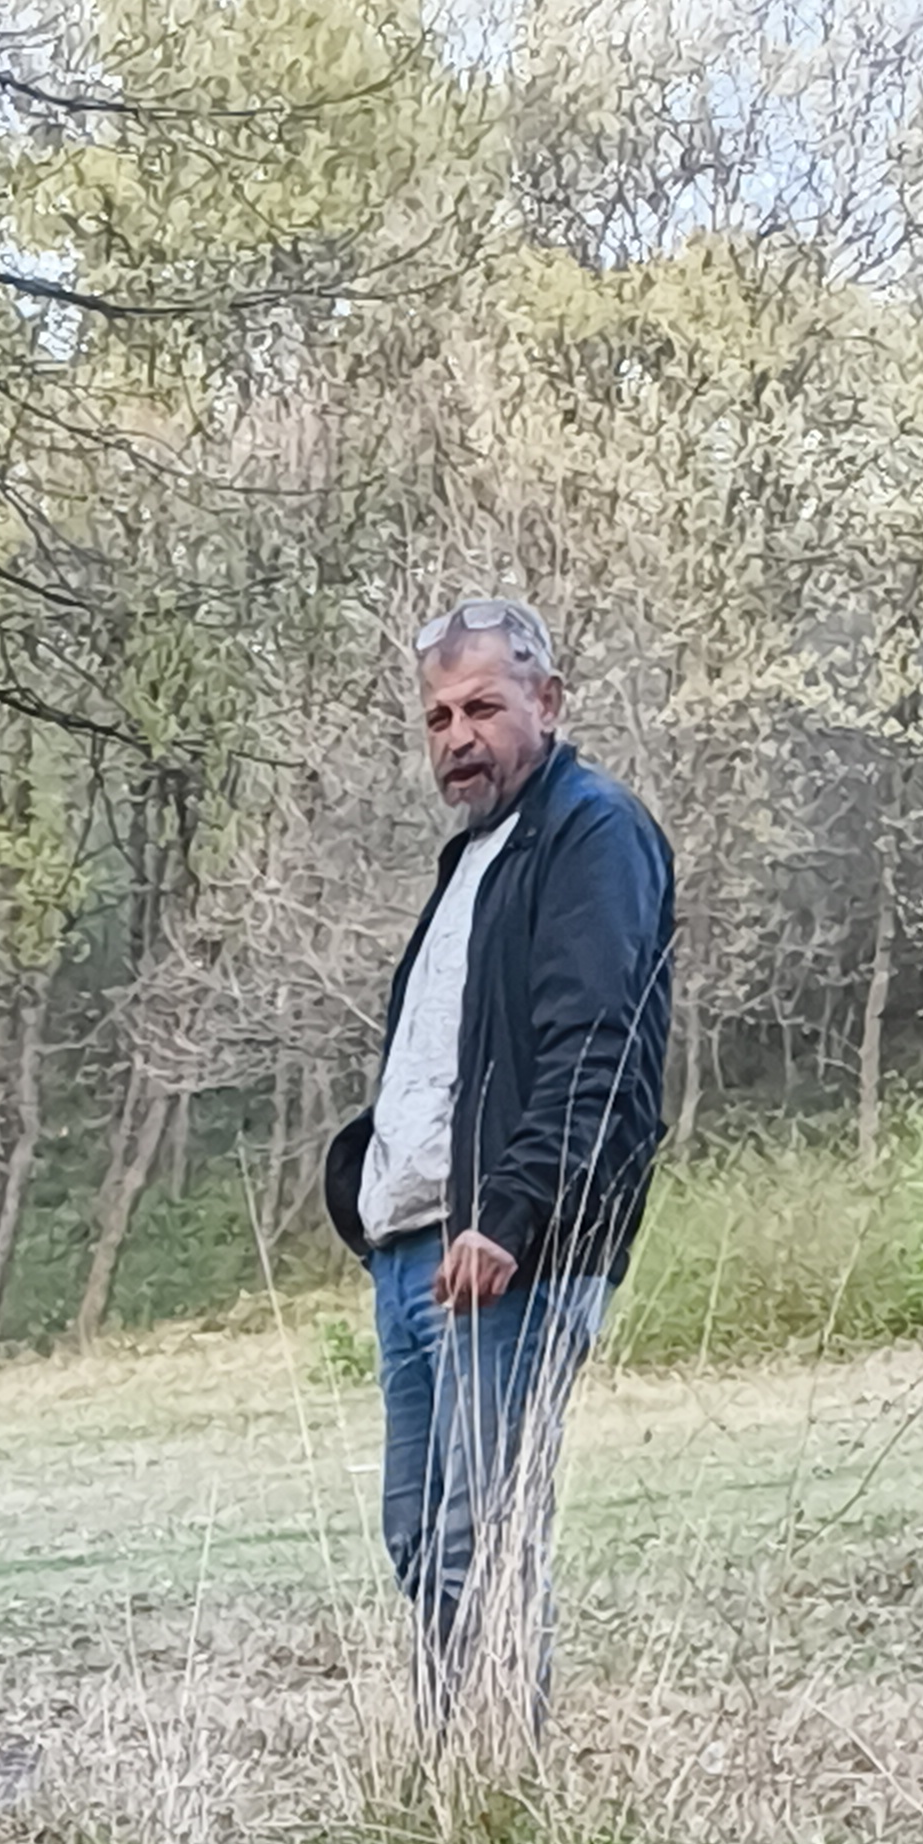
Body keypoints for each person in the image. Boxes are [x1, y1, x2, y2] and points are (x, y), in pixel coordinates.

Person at [322, 598, 676, 1728]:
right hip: (415, 1254)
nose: (457, 737)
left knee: (483, 1543)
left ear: (548, 702)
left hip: (508, 1255)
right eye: (437, 717)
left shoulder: (590, 834)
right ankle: (451, 1802)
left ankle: (495, 1816)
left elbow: (596, 1050)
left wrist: (514, 1213)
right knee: (421, 1542)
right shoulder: (475, 857)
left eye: (482, 706)